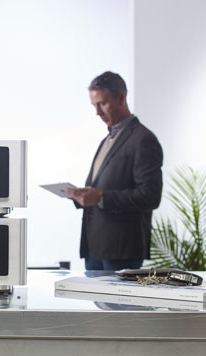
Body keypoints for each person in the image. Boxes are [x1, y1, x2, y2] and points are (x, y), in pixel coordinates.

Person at [67, 71, 163, 271]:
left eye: (102, 103)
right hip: (94, 248)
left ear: (121, 98)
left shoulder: (143, 140)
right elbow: (103, 186)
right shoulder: (108, 139)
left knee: (119, 304)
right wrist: (81, 195)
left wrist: (101, 197)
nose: (97, 112)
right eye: (94, 105)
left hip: (121, 251)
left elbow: (150, 196)